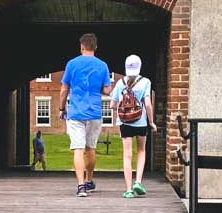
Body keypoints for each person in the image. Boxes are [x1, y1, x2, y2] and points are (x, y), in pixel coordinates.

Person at [59, 32, 111, 197]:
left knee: (78, 148)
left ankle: (81, 186)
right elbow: (107, 90)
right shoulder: (102, 65)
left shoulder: (72, 64)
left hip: (75, 112)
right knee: (91, 148)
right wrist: (99, 88)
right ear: (95, 47)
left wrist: (62, 108)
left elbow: (64, 89)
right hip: (94, 112)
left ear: (81, 46)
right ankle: (89, 180)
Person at [110, 54, 155, 198]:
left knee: (127, 156)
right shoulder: (145, 82)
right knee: (141, 151)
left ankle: (128, 189)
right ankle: (138, 182)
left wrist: (122, 108)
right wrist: (151, 122)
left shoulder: (119, 82)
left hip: (125, 123)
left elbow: (112, 105)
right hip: (140, 122)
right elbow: (147, 104)